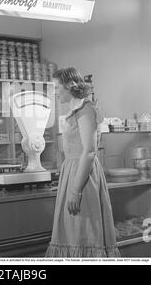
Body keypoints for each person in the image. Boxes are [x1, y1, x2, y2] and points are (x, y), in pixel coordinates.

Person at [45, 67, 120, 257]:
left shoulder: (85, 109)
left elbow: (89, 151)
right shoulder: (75, 111)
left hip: (82, 178)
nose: (55, 92)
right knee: (72, 232)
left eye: (57, 87)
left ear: (70, 85)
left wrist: (75, 189)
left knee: (83, 233)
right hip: (73, 174)